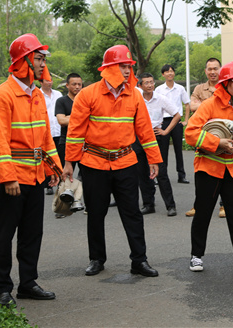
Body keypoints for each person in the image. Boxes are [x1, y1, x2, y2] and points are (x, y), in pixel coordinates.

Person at [62, 45, 162, 278]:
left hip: (125, 162)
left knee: (133, 214)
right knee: (96, 213)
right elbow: (75, 131)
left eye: (129, 66)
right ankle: (96, 259)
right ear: (108, 68)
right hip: (94, 163)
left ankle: (139, 260)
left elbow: (145, 130)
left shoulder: (134, 94)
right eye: (122, 66)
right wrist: (69, 163)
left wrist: (153, 159)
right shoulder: (88, 94)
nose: (127, 71)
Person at [0, 33, 62, 307]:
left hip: (35, 177)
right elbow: (0, 139)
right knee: (4, 234)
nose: (43, 64)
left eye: (43, 59)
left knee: (32, 234)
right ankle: (2, 288)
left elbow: (44, 138)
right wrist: (8, 177)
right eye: (38, 59)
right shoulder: (2, 95)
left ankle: (27, 283)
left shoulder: (36, 95)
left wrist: (54, 167)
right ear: (24, 61)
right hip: (11, 179)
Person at [184, 61, 233, 271]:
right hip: (208, 167)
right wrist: (217, 142)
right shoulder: (209, 104)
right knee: (203, 212)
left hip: (232, 167)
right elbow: (190, 133)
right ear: (225, 83)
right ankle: (196, 256)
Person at [134, 72, 180, 216]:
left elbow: (177, 114)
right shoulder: (136, 99)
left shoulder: (161, 99)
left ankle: (170, 206)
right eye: (146, 83)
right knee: (142, 173)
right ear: (140, 85)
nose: (150, 85)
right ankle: (148, 204)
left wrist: (165, 131)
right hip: (138, 138)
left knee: (161, 172)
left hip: (155, 137)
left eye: (152, 82)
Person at [186, 57, 226, 218]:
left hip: (222, 136)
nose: (212, 72)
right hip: (202, 137)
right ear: (205, 71)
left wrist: (202, 103)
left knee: (223, 170)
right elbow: (191, 105)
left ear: (220, 70)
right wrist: (212, 104)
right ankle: (198, 205)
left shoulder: (225, 87)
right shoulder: (199, 88)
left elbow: (198, 105)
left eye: (215, 68)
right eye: (209, 69)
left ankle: (223, 206)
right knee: (200, 172)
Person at [155, 64, 191, 184]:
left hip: (177, 122)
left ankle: (181, 175)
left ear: (174, 73)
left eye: (171, 71)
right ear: (163, 74)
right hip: (163, 122)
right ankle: (162, 176)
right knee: (163, 150)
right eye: (167, 72)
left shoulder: (180, 88)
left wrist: (186, 120)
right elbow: (155, 106)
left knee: (178, 149)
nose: (170, 73)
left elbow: (187, 104)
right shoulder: (159, 89)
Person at [55, 73, 83, 168]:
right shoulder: (61, 101)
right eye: (74, 84)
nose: (77, 87)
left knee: (86, 176)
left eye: (79, 84)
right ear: (67, 85)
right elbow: (62, 121)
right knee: (65, 175)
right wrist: (82, 116)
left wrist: (69, 117)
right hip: (66, 142)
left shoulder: (85, 100)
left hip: (84, 143)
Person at [40, 77, 62, 196]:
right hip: (45, 131)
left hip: (57, 130)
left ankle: (58, 181)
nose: (50, 82)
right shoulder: (38, 94)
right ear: (41, 82)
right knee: (46, 159)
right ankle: (48, 184)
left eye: (51, 80)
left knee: (58, 158)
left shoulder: (58, 94)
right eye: (47, 80)